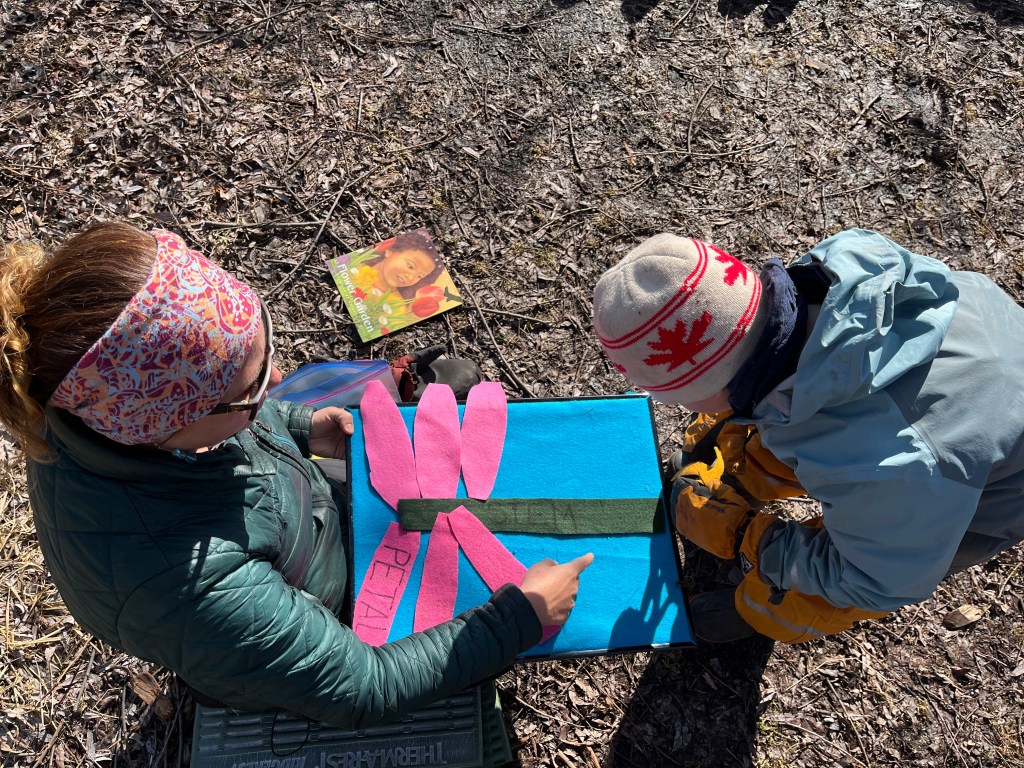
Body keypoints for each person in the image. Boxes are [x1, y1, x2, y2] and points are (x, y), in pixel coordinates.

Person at [0, 221, 594, 727]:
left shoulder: (90, 406)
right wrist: (517, 619)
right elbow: (366, 688)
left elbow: (236, 422)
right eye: (253, 388)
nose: (278, 377)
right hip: (308, 617)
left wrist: (302, 424)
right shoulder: (186, 585)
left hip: (298, 534)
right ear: (170, 425)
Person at [592, 229, 1024, 644]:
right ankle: (740, 486)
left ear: (707, 385)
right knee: (776, 420)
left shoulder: (892, 464)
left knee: (817, 590)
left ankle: (763, 610)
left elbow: (878, 581)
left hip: (977, 495)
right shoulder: (829, 277)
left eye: (682, 399)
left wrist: (747, 537)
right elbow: (796, 401)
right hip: (977, 375)